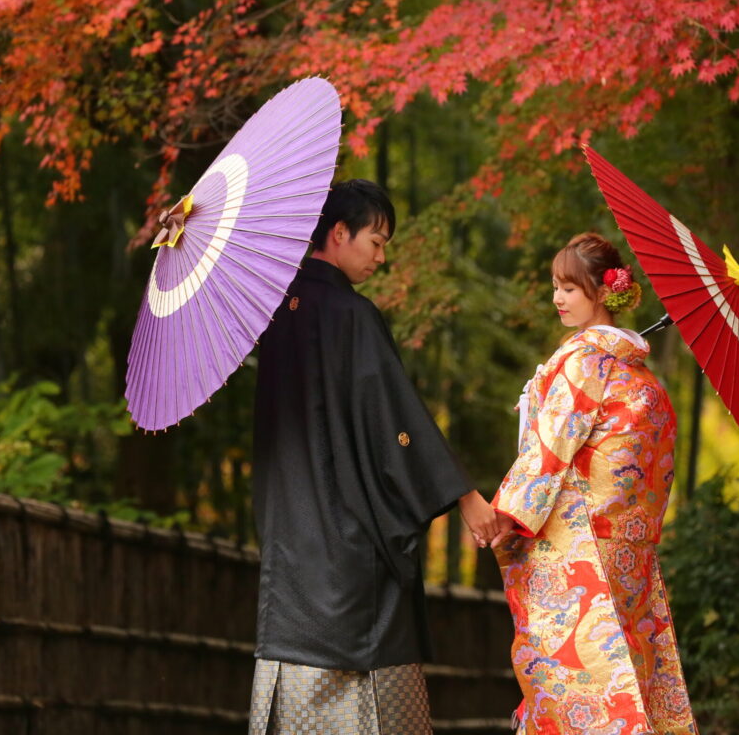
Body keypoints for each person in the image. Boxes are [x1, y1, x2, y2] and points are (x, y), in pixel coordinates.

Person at [249, 179, 501, 735]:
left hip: (288, 542)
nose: (381, 258)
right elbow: (394, 421)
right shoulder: (351, 315)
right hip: (347, 539)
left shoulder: (271, 316)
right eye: (377, 242)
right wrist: (464, 496)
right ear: (339, 233)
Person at [487, 232, 698, 735]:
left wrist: (505, 516)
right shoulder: (641, 378)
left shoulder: (584, 363)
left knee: (574, 685)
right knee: (630, 674)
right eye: (555, 287)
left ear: (603, 292)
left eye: (569, 289)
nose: (557, 299)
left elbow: (550, 450)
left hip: (577, 549)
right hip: (628, 554)